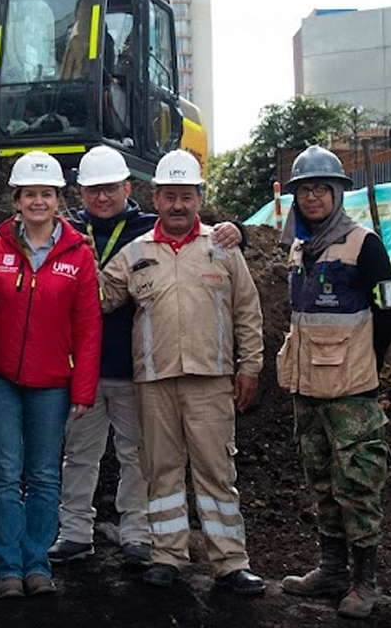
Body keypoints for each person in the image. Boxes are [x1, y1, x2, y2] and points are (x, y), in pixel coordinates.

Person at [49, 146, 245, 569]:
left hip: (140, 370)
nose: (102, 198)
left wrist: (232, 230)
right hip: (85, 370)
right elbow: (91, 293)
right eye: (92, 190)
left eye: (109, 189)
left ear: (129, 189)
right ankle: (76, 533)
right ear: (80, 193)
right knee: (82, 454)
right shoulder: (69, 234)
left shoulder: (152, 234)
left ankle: (144, 537)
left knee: (140, 457)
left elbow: (245, 306)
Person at [97, 149, 267, 596]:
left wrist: (250, 368)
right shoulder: (136, 253)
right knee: (161, 470)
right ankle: (167, 555)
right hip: (154, 381)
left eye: (186, 197)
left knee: (216, 471)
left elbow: (247, 312)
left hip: (211, 379)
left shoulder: (223, 248)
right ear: (155, 197)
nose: (177, 205)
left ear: (198, 199)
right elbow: (98, 296)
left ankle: (230, 562)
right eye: (169, 196)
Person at [0, 150, 102, 599]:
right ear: (16, 199)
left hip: (53, 383)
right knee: (3, 472)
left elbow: (88, 325)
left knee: (43, 475)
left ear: (58, 199)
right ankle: (6, 567)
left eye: (46, 194)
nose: (38, 201)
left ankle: (36, 562)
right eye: (29, 194)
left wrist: (83, 388)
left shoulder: (79, 254)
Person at [275, 144, 391, 618]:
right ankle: (330, 570)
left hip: (351, 392)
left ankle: (363, 581)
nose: (312, 198)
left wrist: (372, 365)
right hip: (308, 391)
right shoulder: (300, 248)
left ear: (338, 194)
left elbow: (388, 307)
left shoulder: (364, 244)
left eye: (321, 190)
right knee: (321, 481)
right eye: (305, 190)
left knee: (357, 483)